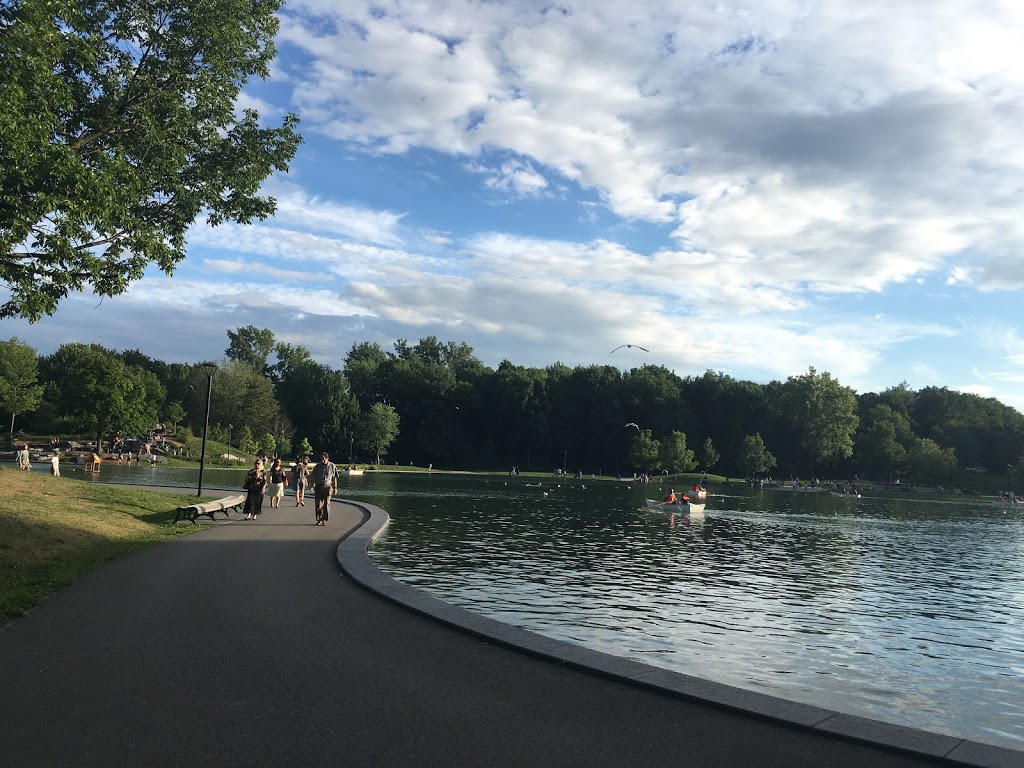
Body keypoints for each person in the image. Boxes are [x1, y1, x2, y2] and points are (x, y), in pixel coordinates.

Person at [309, 452, 338, 526]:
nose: (322, 461)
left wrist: (335, 488)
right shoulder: (317, 467)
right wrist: (312, 486)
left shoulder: (332, 466)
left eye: (324, 459)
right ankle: (319, 519)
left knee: (326, 504)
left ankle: (325, 519)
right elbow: (313, 477)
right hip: (318, 486)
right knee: (318, 504)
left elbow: (334, 477)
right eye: (321, 459)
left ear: (327, 459)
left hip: (328, 486)